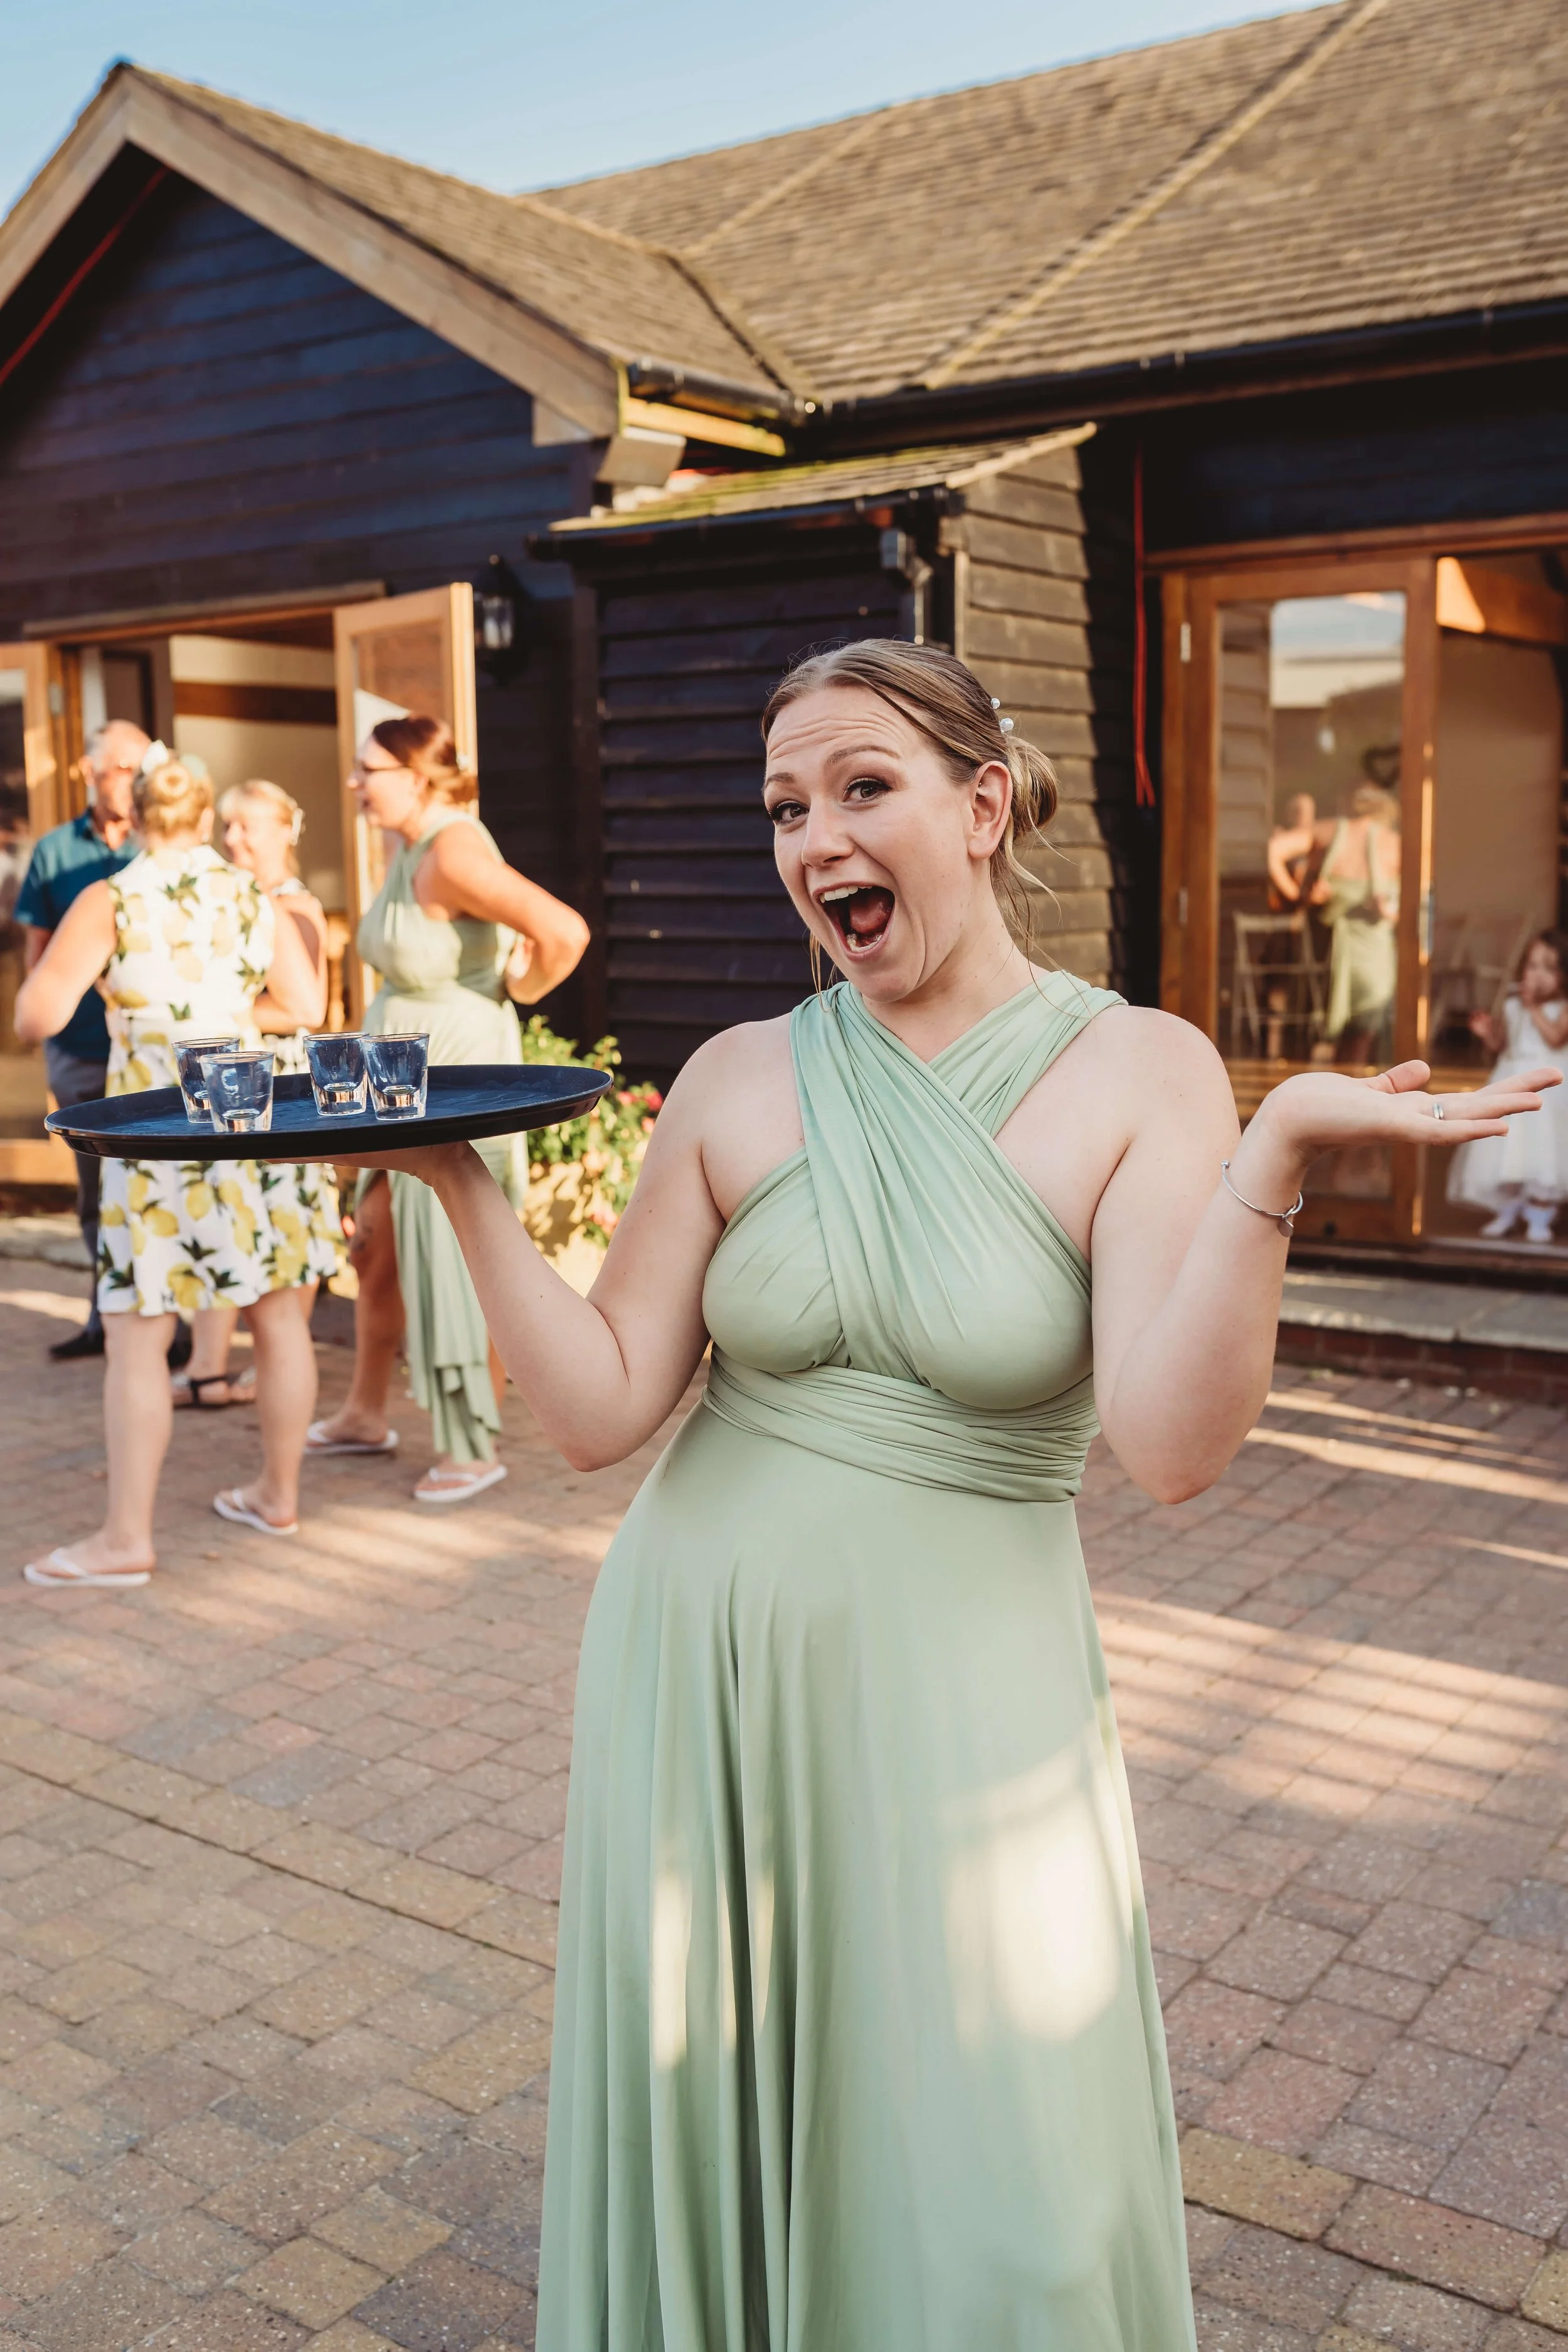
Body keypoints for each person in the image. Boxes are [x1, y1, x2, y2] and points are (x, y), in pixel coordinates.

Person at [323, 642, 1553, 2348]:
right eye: (783, 805)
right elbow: (603, 1404)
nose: (815, 834)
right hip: (705, 1674)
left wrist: (1272, 1164)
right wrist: (460, 1184)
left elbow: (1173, 1447)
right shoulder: (745, 1069)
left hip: (970, 1702)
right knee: (737, 2102)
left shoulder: (1142, 1069)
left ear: (981, 808)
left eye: (862, 786)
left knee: (999, 2168)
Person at [13, 757, 329, 1586]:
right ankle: (280, 1496)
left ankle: (126, 1539)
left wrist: (139, 1011)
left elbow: (35, 1013)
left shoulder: (111, 897)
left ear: (142, 816)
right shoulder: (250, 894)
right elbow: (304, 1007)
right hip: (238, 1113)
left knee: (137, 1332)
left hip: (153, 1133)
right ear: (199, 818)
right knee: (278, 1315)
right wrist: (218, 1016)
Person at [305, 716, 589, 1503]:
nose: (356, 783)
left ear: (417, 777)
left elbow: (562, 931)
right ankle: (365, 1413)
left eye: (369, 770)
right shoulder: (406, 847)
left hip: (452, 1074)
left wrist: (515, 992)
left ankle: (473, 1444)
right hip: (395, 1077)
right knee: (378, 1245)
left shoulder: (454, 849)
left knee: (460, 1258)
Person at [174, 780, 346, 1407]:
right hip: (241, 1079)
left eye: (246, 826)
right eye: (226, 826)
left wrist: (217, 1010)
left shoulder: (294, 905)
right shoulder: (236, 899)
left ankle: (280, 1359)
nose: (232, 838)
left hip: (281, 1077)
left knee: (286, 1218)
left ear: (283, 832)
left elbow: (306, 1007)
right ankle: (212, 1364)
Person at [15, 719, 147, 1359]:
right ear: (89, 773)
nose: (126, 780)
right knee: (96, 1193)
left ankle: (169, 1324)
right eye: (115, 768)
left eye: (137, 767)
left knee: (159, 1185)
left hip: (151, 1054)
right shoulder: (54, 851)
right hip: (81, 1049)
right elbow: (37, 954)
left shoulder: (162, 849)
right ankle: (104, 1317)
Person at [1449, 928, 1568, 1242]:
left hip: (1549, 1088)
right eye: (1532, 966)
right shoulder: (1513, 1004)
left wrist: (1534, 1009)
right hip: (1511, 1078)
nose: (1537, 974)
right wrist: (1487, 1033)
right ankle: (1509, 1209)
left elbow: (1555, 1038)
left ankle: (1540, 1213)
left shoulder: (1562, 1007)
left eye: (1548, 967)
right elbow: (1504, 1045)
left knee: (1544, 1153)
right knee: (1508, 1149)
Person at [1310, 781, 1401, 1063]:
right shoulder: (1391, 844)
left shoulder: (1380, 842)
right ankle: (1350, 1087)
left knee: (1363, 1026)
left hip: (1367, 950)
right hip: (1350, 949)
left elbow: (1275, 849)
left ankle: (1350, 1086)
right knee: (1360, 1031)